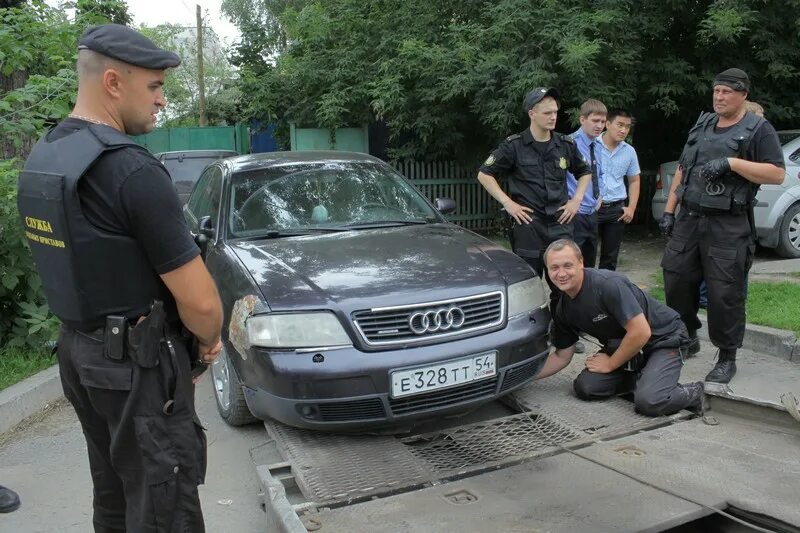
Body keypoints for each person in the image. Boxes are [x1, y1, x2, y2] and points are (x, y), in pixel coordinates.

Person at [17, 24, 224, 532]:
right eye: (154, 86)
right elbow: (200, 302)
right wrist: (211, 340)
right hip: (137, 367)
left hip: (81, 355)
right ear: (113, 82)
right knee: (162, 505)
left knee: (114, 495)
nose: (161, 100)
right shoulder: (130, 170)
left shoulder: (46, 155)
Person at [659, 69, 784, 384]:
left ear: (743, 94)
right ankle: (687, 335)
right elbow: (683, 169)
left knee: (724, 293)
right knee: (675, 278)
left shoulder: (757, 129)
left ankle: (727, 357)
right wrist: (670, 210)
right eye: (716, 91)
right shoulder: (702, 125)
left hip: (727, 224)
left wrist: (732, 163)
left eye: (726, 92)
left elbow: (776, 174)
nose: (719, 97)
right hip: (689, 217)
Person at [536, 239, 705, 417]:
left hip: (664, 339)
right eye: (554, 268)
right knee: (587, 387)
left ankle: (694, 392)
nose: (561, 273)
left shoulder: (607, 284)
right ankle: (648, 379)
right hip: (625, 344)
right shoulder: (563, 309)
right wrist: (522, 378)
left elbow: (641, 332)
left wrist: (610, 364)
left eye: (567, 265)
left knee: (649, 402)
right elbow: (562, 356)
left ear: (581, 263)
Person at [478, 87, 592, 321]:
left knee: (565, 281)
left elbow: (585, 171)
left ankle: (565, 331)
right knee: (527, 282)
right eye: (547, 112)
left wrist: (576, 201)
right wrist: (508, 203)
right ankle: (532, 330)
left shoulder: (565, 145)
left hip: (560, 222)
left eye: (555, 112)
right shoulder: (514, 146)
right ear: (532, 113)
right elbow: (484, 174)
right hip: (528, 224)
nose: (553, 117)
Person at [698, 100, 765, 309]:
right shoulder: (737, 146)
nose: (761, 124)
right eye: (759, 118)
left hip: (743, 208)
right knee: (728, 256)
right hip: (727, 212)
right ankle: (710, 296)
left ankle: (725, 295)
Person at [564, 98, 607, 353]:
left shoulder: (598, 146)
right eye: (595, 121)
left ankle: (585, 322)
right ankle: (568, 330)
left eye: (603, 121)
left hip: (592, 213)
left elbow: (597, 175)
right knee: (570, 274)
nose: (600, 125)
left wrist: (599, 196)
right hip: (574, 214)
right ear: (583, 120)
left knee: (587, 270)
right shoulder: (569, 143)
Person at [594, 108, 641, 271]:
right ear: (607, 123)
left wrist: (632, 208)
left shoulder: (629, 151)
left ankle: (605, 294)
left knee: (610, 258)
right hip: (591, 209)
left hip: (616, 209)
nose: (623, 130)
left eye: (627, 126)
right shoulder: (592, 145)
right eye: (619, 125)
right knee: (585, 255)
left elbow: (634, 180)